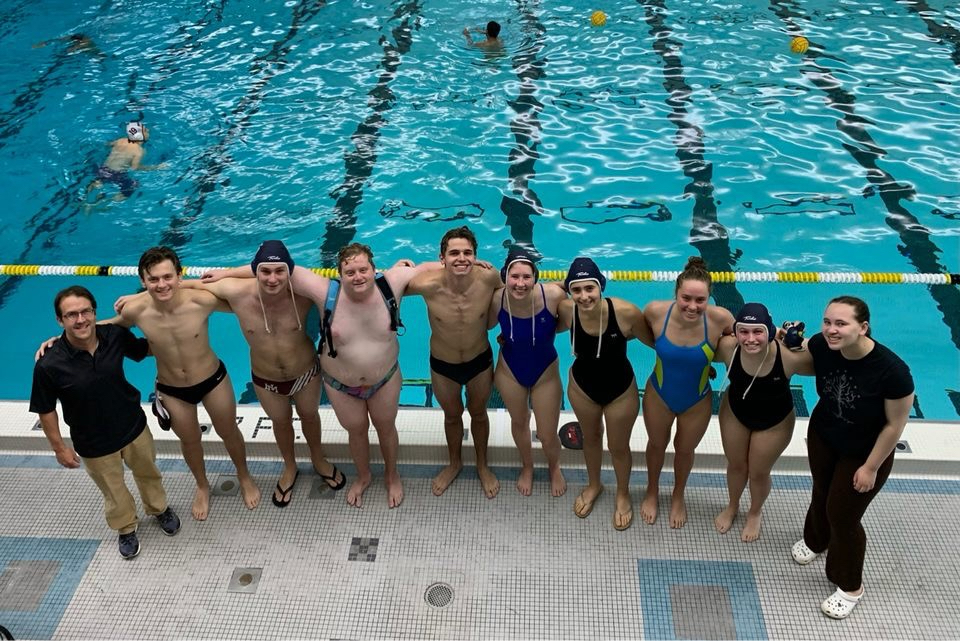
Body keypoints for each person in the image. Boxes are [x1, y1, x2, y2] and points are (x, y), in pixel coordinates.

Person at [169, 240, 346, 508]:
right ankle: (289, 467)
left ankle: (318, 459)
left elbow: (352, 288)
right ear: (255, 271)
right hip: (266, 379)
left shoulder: (302, 292)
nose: (272, 278)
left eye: (279, 271)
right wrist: (226, 274)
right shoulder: (237, 292)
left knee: (310, 416)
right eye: (265, 272)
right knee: (280, 421)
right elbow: (185, 286)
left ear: (290, 272)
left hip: (305, 373)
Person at [30, 285, 181, 559]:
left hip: (133, 426)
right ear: (59, 320)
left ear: (94, 312)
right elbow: (45, 409)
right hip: (93, 441)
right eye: (71, 315)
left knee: (148, 472)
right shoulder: (49, 363)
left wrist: (168, 325)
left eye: (85, 311)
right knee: (113, 489)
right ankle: (125, 527)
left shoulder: (113, 336)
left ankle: (158, 508)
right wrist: (59, 448)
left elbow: (145, 349)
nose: (80, 320)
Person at [114, 246, 261, 520]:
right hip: (172, 389)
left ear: (179, 276)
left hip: (212, 380)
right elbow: (104, 330)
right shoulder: (135, 310)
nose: (162, 284)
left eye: (168, 277)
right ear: (143, 281)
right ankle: (202, 486)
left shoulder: (200, 300)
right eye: (154, 279)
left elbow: (246, 298)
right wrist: (60, 341)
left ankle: (244, 475)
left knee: (228, 431)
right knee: (190, 440)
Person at [791, 296, 913, 620]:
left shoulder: (893, 372)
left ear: (863, 327)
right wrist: (786, 337)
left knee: (842, 515)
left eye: (841, 324)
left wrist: (871, 467)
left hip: (864, 451)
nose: (832, 330)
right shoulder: (823, 345)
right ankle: (816, 541)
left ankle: (850, 587)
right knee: (821, 491)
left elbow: (894, 425)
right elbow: (803, 347)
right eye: (828, 322)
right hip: (824, 435)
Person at [407, 225, 503, 498]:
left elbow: (514, 293)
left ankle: (482, 465)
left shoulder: (489, 277)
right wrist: (420, 266)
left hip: (479, 362)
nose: (461, 258)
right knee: (451, 416)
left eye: (467, 253)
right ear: (442, 258)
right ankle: (455, 463)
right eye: (454, 253)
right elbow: (389, 286)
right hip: (443, 365)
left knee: (479, 413)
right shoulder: (427, 284)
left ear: (476, 256)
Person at [556, 257, 651, 530]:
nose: (584, 296)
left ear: (601, 287)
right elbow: (540, 323)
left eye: (590, 289)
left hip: (620, 390)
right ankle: (594, 484)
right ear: (569, 291)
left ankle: (622, 493)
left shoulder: (625, 313)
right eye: (577, 290)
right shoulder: (566, 311)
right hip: (582, 388)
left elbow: (656, 342)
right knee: (592, 438)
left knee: (618, 446)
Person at [640, 256, 735, 528]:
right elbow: (646, 336)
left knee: (685, 449)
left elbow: (738, 344)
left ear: (709, 298)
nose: (692, 306)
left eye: (700, 300)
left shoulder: (720, 319)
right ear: (676, 293)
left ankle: (678, 495)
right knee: (656, 444)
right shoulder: (655, 312)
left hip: (697, 399)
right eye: (686, 298)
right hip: (659, 393)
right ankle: (651, 490)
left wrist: (705, 363)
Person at [712, 303, 813, 542]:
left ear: (769, 331)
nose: (750, 339)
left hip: (775, 421)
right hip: (735, 413)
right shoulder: (728, 348)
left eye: (758, 331)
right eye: (743, 331)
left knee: (758, 472)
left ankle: (755, 512)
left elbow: (827, 358)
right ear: (735, 332)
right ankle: (732, 505)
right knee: (736, 465)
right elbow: (697, 339)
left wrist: (796, 337)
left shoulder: (787, 356)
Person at [487, 248, 568, 497]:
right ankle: (527, 466)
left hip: (545, 372)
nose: (520, 284)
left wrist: (544, 335)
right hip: (510, 370)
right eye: (515, 277)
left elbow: (566, 322)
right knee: (519, 421)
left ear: (536, 278)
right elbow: (486, 323)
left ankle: (555, 467)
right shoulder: (497, 299)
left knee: (546, 432)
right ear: (505, 277)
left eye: (526, 277)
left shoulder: (553, 295)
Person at [85, 121, 165, 203]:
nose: (148, 130)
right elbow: (135, 168)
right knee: (134, 186)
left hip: (102, 169)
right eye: (145, 130)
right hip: (116, 175)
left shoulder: (121, 140)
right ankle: (105, 202)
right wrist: (156, 167)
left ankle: (86, 197)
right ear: (140, 135)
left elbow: (107, 145)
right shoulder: (139, 150)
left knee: (98, 180)